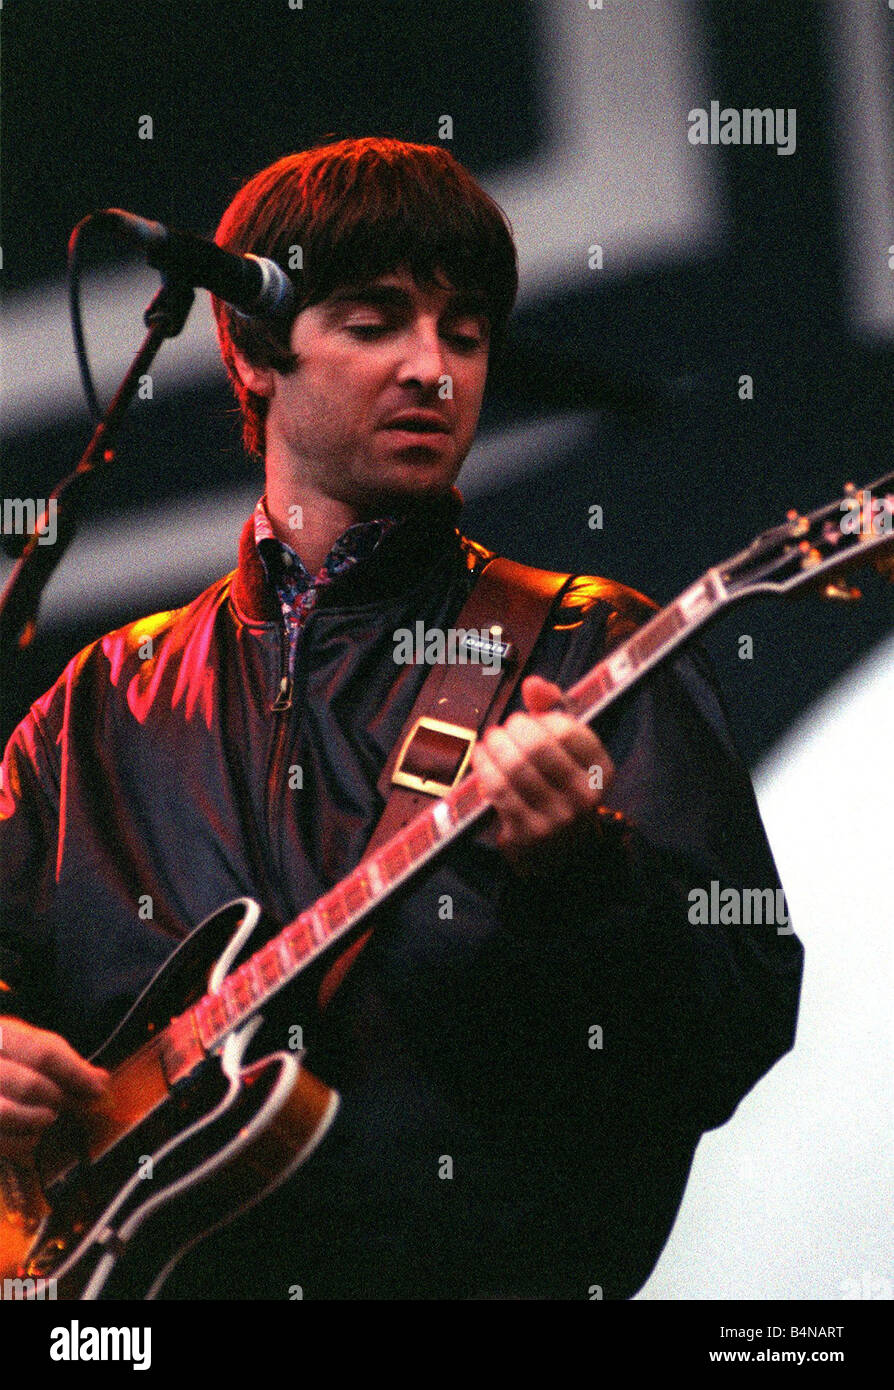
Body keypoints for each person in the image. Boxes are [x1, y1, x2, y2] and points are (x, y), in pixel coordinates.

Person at [0, 136, 803, 1300]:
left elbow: (732, 1025)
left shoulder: (581, 644)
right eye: (377, 321)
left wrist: (586, 872)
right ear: (252, 350)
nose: (434, 367)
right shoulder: (99, 704)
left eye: (465, 333)